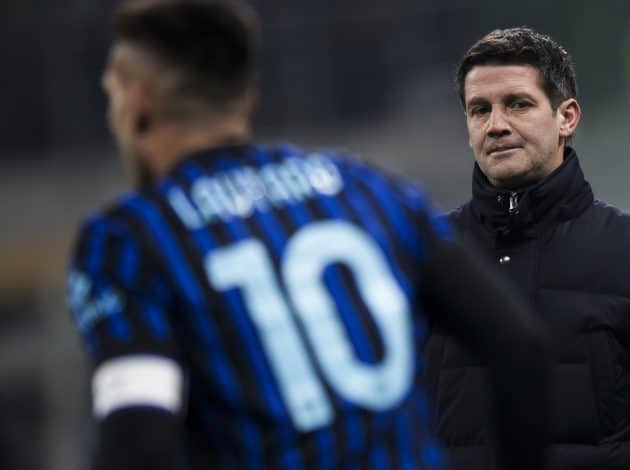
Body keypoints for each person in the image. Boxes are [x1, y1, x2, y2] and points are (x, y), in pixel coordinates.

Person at [66, 2, 549, 469]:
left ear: (136, 100)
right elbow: (518, 343)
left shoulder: (128, 239)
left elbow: (140, 445)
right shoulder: (368, 189)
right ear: (245, 96)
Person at [422, 27, 630, 470]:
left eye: (517, 104)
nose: (496, 125)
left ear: (566, 117)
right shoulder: (422, 257)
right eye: (479, 110)